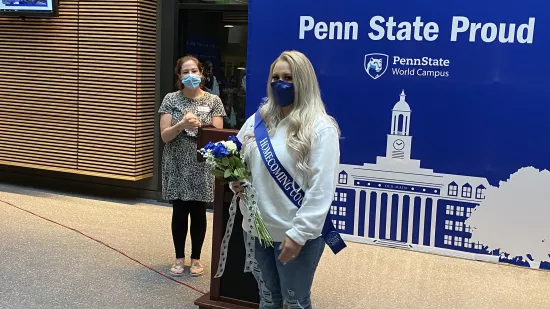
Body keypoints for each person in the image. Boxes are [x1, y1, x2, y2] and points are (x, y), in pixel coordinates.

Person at [231, 51, 340, 309]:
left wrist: (298, 235)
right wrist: (236, 180)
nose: (280, 83)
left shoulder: (320, 128)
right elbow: (240, 159)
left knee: (294, 302)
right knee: (268, 298)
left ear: (303, 81)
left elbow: (321, 189)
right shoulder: (258, 120)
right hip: (258, 229)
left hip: (295, 233)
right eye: (276, 77)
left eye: (289, 77)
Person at [158, 56, 226, 277]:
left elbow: (217, 138)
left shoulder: (214, 100)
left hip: (201, 164)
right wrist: (181, 124)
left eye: (194, 71)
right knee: (179, 211)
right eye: (185, 72)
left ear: (202, 73)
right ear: (179, 76)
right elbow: (165, 136)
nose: (190, 75)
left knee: (198, 212)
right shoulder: (170, 99)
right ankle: (179, 257)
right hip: (177, 162)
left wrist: (199, 127)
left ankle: (196, 258)